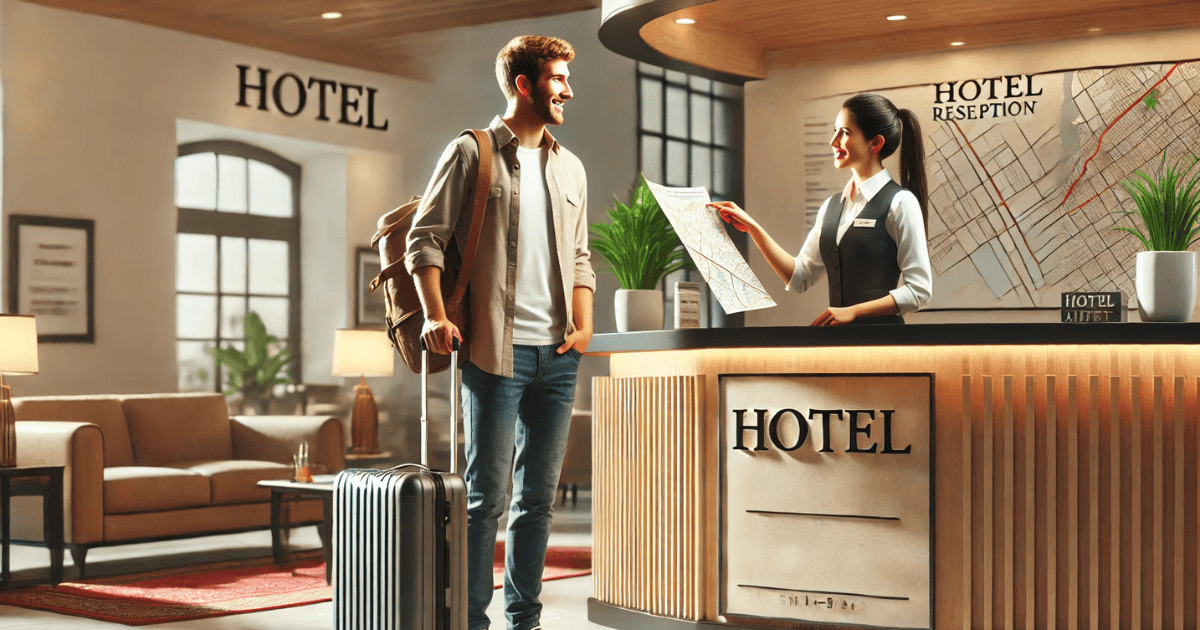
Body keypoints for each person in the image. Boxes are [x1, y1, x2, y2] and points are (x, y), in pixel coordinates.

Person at [404, 35, 595, 630]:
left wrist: (585, 325)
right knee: (485, 502)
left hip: (559, 358)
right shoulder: (472, 152)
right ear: (524, 84)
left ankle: (524, 619)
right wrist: (436, 314)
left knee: (536, 502)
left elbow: (582, 255)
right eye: (558, 78)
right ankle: (469, 621)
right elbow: (423, 239)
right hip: (494, 350)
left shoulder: (571, 166)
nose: (567, 89)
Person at [709, 93, 932, 325]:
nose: (833, 141)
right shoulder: (831, 207)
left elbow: (919, 291)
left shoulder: (901, 203)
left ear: (875, 143)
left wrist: (855, 311)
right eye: (835, 130)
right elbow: (799, 277)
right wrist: (753, 228)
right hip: (837, 345)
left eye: (844, 133)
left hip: (884, 345)